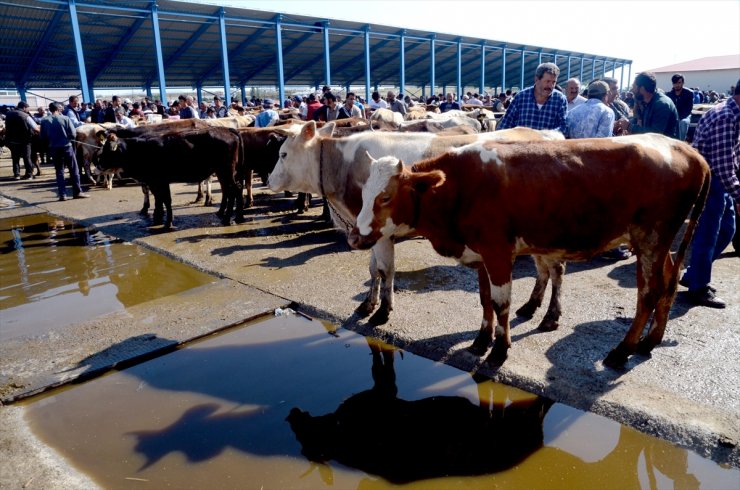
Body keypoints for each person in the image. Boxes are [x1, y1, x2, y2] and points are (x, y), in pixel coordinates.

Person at [679, 81, 740, 308]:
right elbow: (724, 166)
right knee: (709, 233)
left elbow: (733, 155)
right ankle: (698, 287)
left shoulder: (731, 113)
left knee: (726, 230)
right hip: (712, 181)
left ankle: (694, 275)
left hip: (719, 181)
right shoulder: (727, 117)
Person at [497, 62, 568, 133]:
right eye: (547, 81)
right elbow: (505, 124)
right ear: (537, 79)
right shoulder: (521, 97)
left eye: (553, 82)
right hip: (521, 143)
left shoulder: (560, 100)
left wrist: (543, 136)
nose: (551, 86)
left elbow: (563, 127)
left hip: (548, 143)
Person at [39, 103, 89, 201]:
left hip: (54, 148)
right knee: (74, 170)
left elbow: (42, 136)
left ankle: (62, 194)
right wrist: (68, 138)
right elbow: (73, 134)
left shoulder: (44, 120)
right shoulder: (65, 118)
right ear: (58, 109)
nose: (62, 110)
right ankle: (77, 192)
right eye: (60, 108)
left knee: (59, 172)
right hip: (67, 147)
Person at [626, 72, 679, 138]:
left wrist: (629, 127)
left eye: (634, 86)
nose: (632, 90)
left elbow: (655, 134)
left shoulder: (662, 105)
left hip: (666, 146)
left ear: (642, 88)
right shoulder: (647, 101)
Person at [4, 101, 39, 180]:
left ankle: (17, 174)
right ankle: (29, 174)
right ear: (24, 108)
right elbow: (36, 128)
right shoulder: (26, 116)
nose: (27, 110)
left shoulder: (9, 114)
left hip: (12, 140)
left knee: (15, 158)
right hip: (25, 141)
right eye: (27, 108)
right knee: (27, 157)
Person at [666, 73, 694, 141]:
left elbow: (688, 109)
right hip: (673, 116)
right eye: (675, 83)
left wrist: (678, 118)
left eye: (679, 82)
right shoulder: (669, 95)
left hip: (685, 116)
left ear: (683, 83)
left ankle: (681, 143)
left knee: (683, 123)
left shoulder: (689, 93)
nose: (677, 85)